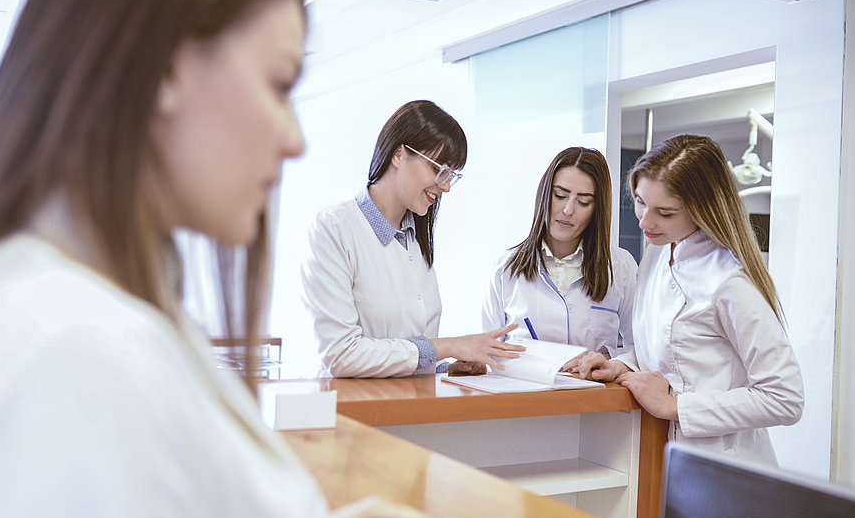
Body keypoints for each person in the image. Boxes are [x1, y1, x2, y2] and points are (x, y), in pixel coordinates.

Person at [0, 0, 470, 518]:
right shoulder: (67, 345)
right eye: (279, 85)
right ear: (169, 70)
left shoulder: (75, 296)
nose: (292, 138)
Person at [575, 134, 803, 466]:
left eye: (664, 213)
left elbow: (785, 399)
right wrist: (621, 363)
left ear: (702, 209)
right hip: (660, 454)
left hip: (727, 467)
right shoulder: (657, 255)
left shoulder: (730, 281)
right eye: (639, 201)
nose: (644, 221)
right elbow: (673, 353)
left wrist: (674, 407)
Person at [300, 100, 525, 378]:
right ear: (398, 155)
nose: (445, 187)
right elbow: (340, 354)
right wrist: (448, 346)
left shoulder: (415, 240)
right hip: (348, 412)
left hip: (409, 412)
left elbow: (408, 353)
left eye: (451, 175)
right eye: (439, 170)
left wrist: (444, 368)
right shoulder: (334, 228)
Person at [482, 147, 636, 360]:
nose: (567, 210)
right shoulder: (506, 267)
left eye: (583, 202)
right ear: (545, 194)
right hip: (526, 391)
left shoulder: (620, 266)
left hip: (593, 391)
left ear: (597, 209)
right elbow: (489, 351)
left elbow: (641, 348)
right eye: (560, 196)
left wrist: (610, 361)